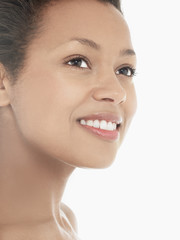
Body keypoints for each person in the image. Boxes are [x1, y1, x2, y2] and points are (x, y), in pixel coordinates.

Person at [0, 0, 137, 239]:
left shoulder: (63, 220)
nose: (117, 92)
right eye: (78, 62)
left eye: (124, 70)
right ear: (3, 83)